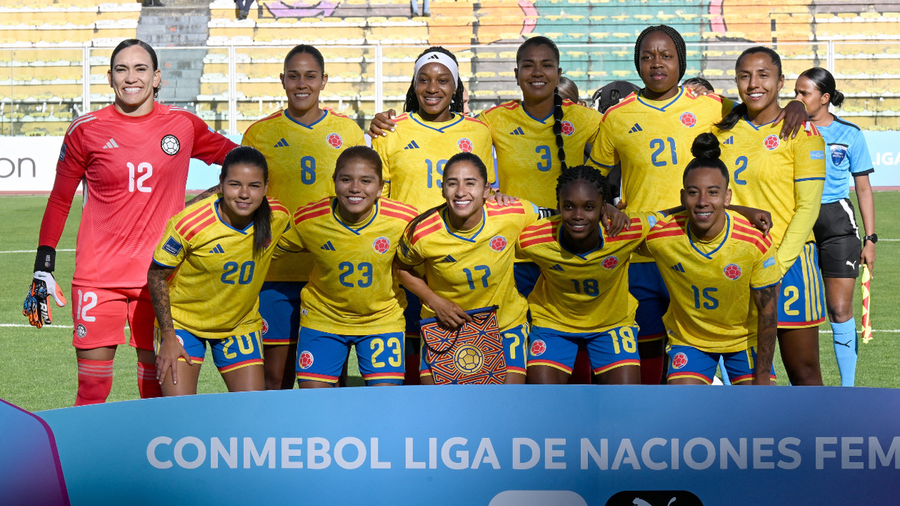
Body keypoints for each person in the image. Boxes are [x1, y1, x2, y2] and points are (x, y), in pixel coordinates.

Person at [587, 25, 807, 385]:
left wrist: (795, 104)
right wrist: (607, 206)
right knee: (648, 360)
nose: (657, 63)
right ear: (637, 63)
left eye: (667, 55)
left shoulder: (711, 106)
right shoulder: (617, 117)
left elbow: (758, 107)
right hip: (643, 253)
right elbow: (592, 176)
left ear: (681, 61)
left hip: (700, 253)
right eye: (647, 56)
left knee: (712, 341)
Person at [23, 39, 237, 406]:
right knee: (92, 390)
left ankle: (152, 463)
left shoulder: (183, 125)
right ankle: (84, 463)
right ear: (109, 78)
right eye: (122, 69)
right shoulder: (85, 130)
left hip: (161, 277)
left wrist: (210, 197)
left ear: (157, 79)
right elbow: (59, 199)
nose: (131, 77)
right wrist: (44, 266)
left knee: (156, 388)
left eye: (140, 69)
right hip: (97, 277)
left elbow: (240, 161)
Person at [241, 44, 366, 390]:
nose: (302, 83)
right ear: (282, 80)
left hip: (329, 272)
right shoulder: (259, 134)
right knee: (273, 377)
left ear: (324, 80)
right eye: (293, 75)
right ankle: (274, 443)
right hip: (275, 273)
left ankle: (328, 443)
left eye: (310, 75)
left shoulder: (349, 132)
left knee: (328, 380)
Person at [371, 46, 495, 384]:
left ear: (456, 88)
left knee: (461, 363)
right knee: (409, 358)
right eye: (423, 80)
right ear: (413, 86)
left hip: (456, 263)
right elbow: (377, 199)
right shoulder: (390, 131)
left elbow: (487, 195)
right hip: (404, 263)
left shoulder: (478, 133)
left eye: (443, 80)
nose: (432, 88)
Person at [715, 47, 827, 386]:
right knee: (751, 377)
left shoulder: (802, 133)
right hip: (738, 264)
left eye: (763, 75)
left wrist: (777, 265)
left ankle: (816, 439)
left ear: (780, 82)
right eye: (744, 76)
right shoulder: (722, 131)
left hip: (789, 265)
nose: (753, 84)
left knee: (803, 371)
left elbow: (808, 208)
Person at [148, 147, 291, 395]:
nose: (245, 194)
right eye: (235, 184)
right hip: (184, 324)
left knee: (251, 412)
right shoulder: (189, 223)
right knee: (179, 412)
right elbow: (156, 274)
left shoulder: (278, 217)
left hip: (239, 325)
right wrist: (169, 338)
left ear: (266, 187)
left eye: (254, 186)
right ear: (221, 184)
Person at [642, 134, 781, 385]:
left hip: (743, 340)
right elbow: (625, 226)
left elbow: (768, 313)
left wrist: (762, 381)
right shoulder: (661, 236)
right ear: (683, 197)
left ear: (727, 197)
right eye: (694, 193)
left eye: (713, 192)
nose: (703, 201)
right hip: (689, 341)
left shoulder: (752, 241)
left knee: (759, 414)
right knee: (685, 412)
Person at [395, 153, 545, 385]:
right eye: (452, 183)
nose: (461, 191)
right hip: (443, 325)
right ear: (442, 189)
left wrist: (605, 209)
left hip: (504, 324)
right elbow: (401, 268)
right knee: (443, 411)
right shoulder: (421, 232)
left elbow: (562, 214)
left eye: (470, 183)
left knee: (506, 406)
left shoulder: (512, 212)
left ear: (487, 190)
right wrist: (435, 302)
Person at [277, 147, 417, 387]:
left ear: (381, 187)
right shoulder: (308, 220)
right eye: (346, 179)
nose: (355, 188)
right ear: (334, 182)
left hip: (381, 321)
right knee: (316, 405)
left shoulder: (404, 220)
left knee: (384, 404)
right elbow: (267, 249)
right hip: (323, 319)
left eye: (366, 181)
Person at [518, 165, 666, 385]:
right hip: (553, 325)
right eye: (568, 206)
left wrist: (725, 206)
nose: (578, 215)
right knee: (544, 406)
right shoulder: (531, 239)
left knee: (624, 405)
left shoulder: (624, 229)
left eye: (589, 207)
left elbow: (671, 215)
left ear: (602, 208)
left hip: (611, 325)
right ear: (558, 205)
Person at [794, 67, 876, 386]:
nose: (797, 98)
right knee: (796, 310)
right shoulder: (788, 131)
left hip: (837, 222)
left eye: (805, 93)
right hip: (797, 221)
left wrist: (870, 239)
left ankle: (847, 390)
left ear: (824, 98)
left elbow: (864, 188)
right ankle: (799, 386)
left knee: (839, 309)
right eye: (796, 92)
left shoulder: (850, 134)